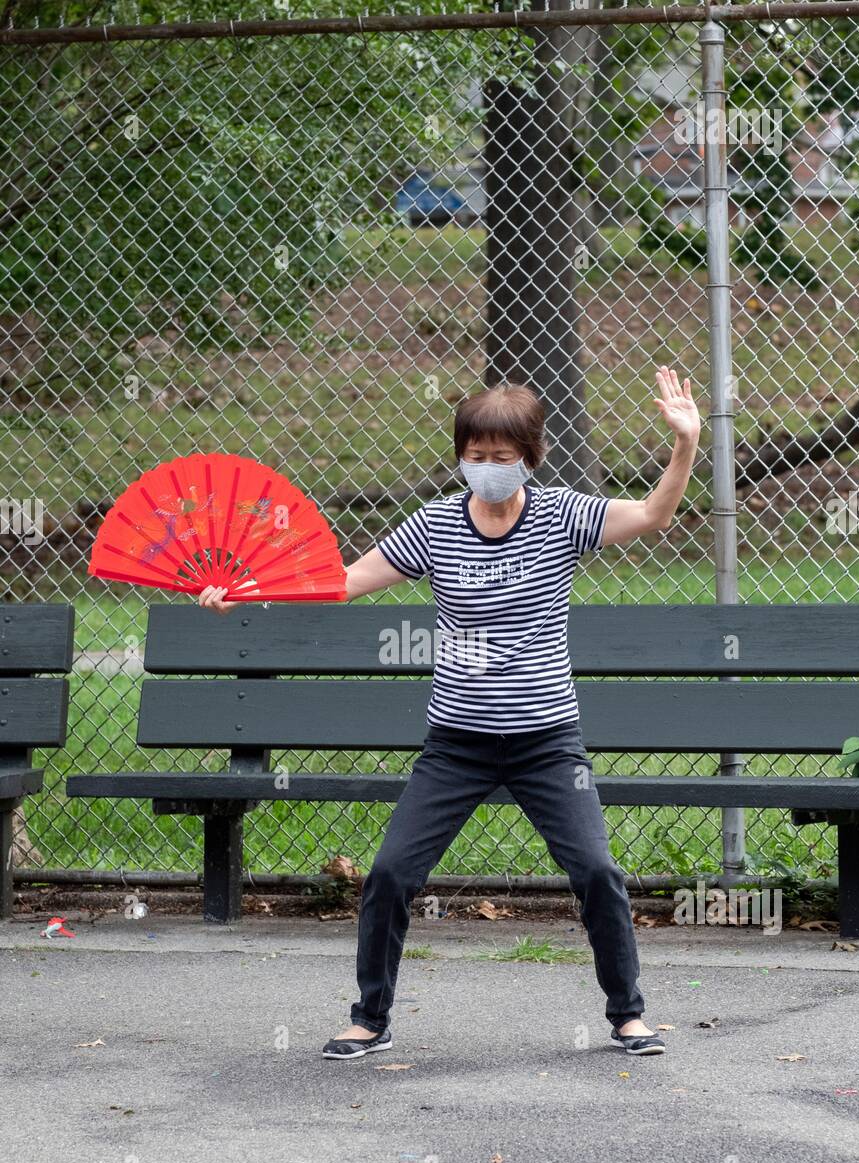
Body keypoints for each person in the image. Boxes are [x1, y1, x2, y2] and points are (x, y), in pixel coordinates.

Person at [200, 369, 701, 1060]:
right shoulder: (435, 525)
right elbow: (342, 581)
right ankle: (370, 1019)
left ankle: (628, 1014)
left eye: (503, 457)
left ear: (531, 456)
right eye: (476, 454)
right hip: (458, 744)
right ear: (460, 454)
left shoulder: (562, 516)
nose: (488, 468)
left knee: (596, 871)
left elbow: (653, 514)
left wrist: (685, 443)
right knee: (389, 875)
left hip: (545, 742)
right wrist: (244, 590)